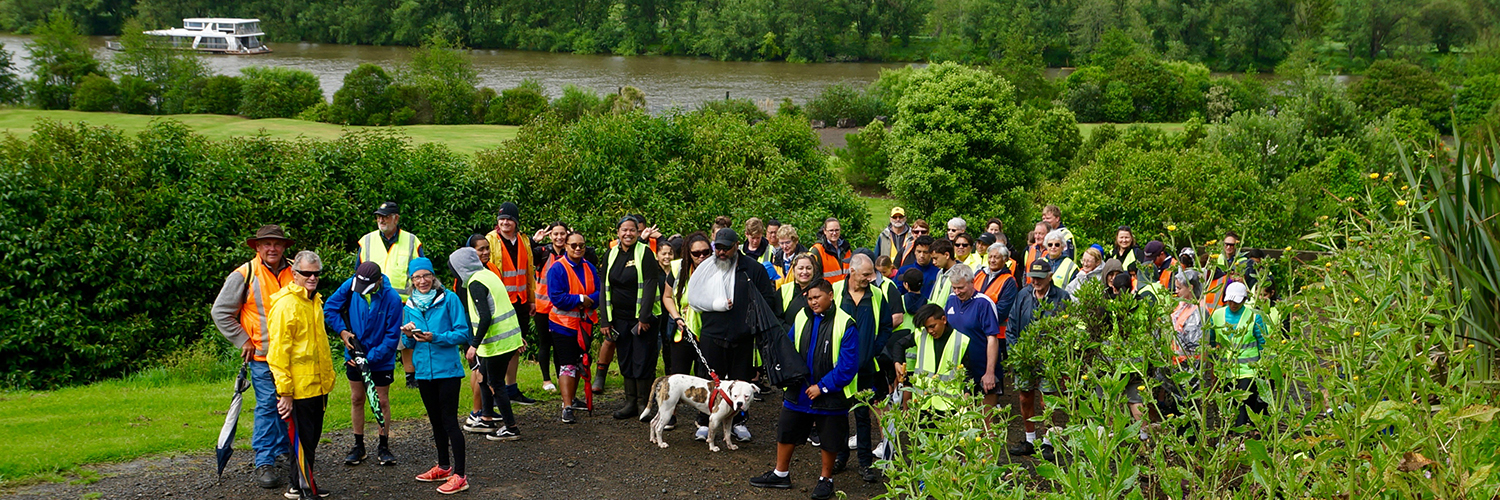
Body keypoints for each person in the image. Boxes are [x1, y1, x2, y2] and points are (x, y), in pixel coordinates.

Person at [748, 280, 858, 500]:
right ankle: (781, 473)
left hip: (831, 394)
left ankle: (826, 479)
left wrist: (823, 387)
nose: (813, 302)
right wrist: (787, 376)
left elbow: (848, 366)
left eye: (817, 297)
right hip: (799, 388)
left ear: (831, 295)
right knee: (786, 430)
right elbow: (789, 348)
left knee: (829, 438)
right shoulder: (801, 316)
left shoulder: (846, 324)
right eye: (809, 298)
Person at [211, 225, 295, 489]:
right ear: (257, 248)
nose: (272, 249)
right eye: (266, 244)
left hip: (293, 356)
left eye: (276, 244)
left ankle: (282, 450)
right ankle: (264, 461)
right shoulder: (244, 274)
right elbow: (220, 311)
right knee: (269, 406)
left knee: (288, 405)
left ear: (284, 247)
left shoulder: (297, 269)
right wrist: (242, 339)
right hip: (262, 355)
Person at [688, 228, 783, 443]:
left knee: (741, 382)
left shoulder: (753, 269)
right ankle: (705, 421)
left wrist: (753, 323)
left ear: (737, 246)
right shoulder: (707, 268)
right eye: (718, 248)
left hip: (742, 336)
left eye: (726, 248)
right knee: (710, 381)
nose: (721, 252)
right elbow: (695, 297)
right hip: (712, 333)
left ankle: (739, 422)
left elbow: (767, 300)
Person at [266, 250, 335, 500]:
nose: (312, 277)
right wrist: (284, 392)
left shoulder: (313, 299)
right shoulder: (286, 304)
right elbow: (278, 353)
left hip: (317, 384)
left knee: (311, 439)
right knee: (302, 441)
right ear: (294, 274)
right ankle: (306, 490)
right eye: (306, 273)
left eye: (316, 273)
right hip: (298, 387)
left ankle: (298, 485)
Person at [401, 258, 472, 494]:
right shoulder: (409, 305)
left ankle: (460, 476)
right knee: (435, 421)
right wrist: (409, 334)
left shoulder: (449, 299)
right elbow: (408, 343)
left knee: (450, 421)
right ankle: (443, 466)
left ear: (433, 277)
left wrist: (436, 337)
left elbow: (463, 333)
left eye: (425, 276)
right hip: (423, 371)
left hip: (448, 370)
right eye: (416, 278)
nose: (422, 281)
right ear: (411, 281)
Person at [324, 262, 403, 467]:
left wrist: (370, 358)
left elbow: (392, 336)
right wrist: (342, 331)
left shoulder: (392, 298)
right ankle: (358, 446)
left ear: (378, 281)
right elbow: (330, 308)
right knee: (357, 398)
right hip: (353, 353)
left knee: (381, 400)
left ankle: (383, 445)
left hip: (380, 359)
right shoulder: (351, 285)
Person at [832, 255, 895, 482]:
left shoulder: (876, 294)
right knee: (839, 414)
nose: (870, 278)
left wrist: (874, 349)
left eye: (872, 274)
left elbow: (887, 326)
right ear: (852, 271)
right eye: (866, 274)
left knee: (863, 415)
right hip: (838, 368)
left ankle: (865, 463)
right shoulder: (836, 291)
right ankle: (839, 457)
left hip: (866, 367)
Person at [453, 246, 524, 442]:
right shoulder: (489, 275)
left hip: (497, 343)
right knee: (483, 377)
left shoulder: (476, 283)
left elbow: (485, 317)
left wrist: (473, 345)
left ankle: (511, 427)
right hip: (505, 339)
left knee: (495, 383)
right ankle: (487, 417)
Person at [599, 216, 665, 419]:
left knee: (643, 360)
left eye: (632, 230)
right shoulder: (610, 253)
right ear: (618, 232)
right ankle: (630, 403)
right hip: (619, 318)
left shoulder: (645, 253)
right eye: (624, 230)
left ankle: (644, 404)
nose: (628, 234)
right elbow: (603, 286)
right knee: (626, 358)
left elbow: (650, 285)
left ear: (638, 232)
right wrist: (605, 320)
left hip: (642, 319)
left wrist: (644, 317)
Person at [1006, 259, 1073, 460]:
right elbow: (1012, 327)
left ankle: (1048, 442)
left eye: (1040, 278)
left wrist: (1059, 359)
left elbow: (1067, 330)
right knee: (1024, 397)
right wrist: (1014, 353)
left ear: (1049, 277)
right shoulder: (1023, 294)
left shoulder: (1062, 297)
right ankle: (1030, 439)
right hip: (1024, 357)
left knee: (1048, 401)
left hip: (1049, 357)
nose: (1035, 281)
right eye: (1033, 277)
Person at [357, 201, 426, 388]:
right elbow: (358, 270)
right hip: (374, 300)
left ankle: (411, 377)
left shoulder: (412, 240)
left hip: (404, 301)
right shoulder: (367, 240)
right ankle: (374, 371)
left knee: (406, 339)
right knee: (375, 337)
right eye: (379, 216)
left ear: (396, 218)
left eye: (385, 216)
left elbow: (420, 271)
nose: (381, 220)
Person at [530, 221, 598, 394]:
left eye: (563, 234)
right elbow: (526, 257)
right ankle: (547, 379)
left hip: (572, 310)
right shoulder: (543, 252)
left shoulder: (579, 255)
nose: (559, 237)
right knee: (545, 344)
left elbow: (589, 256)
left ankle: (566, 387)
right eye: (555, 234)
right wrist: (534, 242)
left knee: (566, 352)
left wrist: (576, 239)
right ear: (550, 236)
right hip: (545, 306)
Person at [485, 202, 540, 406]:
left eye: (509, 219)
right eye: (501, 219)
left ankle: (511, 388)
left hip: (521, 300)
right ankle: (494, 389)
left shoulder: (524, 240)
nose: (505, 222)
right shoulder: (490, 239)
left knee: (517, 344)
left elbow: (528, 271)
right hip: (499, 302)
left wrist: (532, 299)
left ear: (516, 222)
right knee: (499, 346)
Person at [547, 231, 602, 424]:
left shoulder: (590, 267)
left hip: (584, 324)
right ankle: (566, 405)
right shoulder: (557, 268)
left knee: (581, 362)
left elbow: (598, 292)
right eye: (573, 245)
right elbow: (556, 297)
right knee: (567, 365)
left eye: (581, 245)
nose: (578, 248)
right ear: (566, 247)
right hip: (563, 325)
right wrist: (580, 299)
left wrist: (588, 301)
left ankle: (573, 397)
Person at [943, 264, 1005, 416]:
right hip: (959, 371)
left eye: (961, 288)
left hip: (981, 369)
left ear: (972, 282)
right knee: (962, 419)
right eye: (954, 288)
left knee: (985, 420)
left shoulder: (984, 303)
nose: (957, 292)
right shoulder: (951, 300)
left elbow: (992, 338)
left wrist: (989, 372)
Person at [903, 303, 986, 413]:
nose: (930, 331)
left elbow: (968, 371)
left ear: (944, 320)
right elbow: (899, 344)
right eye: (927, 328)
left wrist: (967, 392)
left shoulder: (961, 340)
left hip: (949, 406)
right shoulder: (922, 335)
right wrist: (898, 363)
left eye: (932, 326)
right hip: (923, 404)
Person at [1210, 281, 1268, 429]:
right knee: (1228, 403)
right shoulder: (1217, 315)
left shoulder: (1254, 316)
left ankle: (1238, 435)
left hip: (1249, 370)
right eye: (1230, 301)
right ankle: (1228, 434)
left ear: (1244, 300)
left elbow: (1264, 342)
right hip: (1225, 370)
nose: (1233, 304)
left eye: (1236, 301)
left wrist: (1265, 367)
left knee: (1242, 403)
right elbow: (1210, 341)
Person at [779, 253, 820, 327]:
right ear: (794, 271)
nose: (804, 272)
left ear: (814, 271)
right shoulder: (783, 290)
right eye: (801, 268)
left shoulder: (820, 290)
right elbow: (776, 318)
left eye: (808, 268)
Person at [896, 235, 938, 302]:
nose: (922, 255)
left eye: (925, 252)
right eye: (919, 251)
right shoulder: (903, 271)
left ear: (931, 253)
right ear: (914, 252)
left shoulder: (938, 273)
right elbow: (897, 294)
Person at [812, 218, 852, 283]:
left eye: (837, 230)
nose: (834, 233)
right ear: (824, 231)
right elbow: (814, 276)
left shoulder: (846, 248)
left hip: (845, 290)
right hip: (828, 291)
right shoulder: (818, 250)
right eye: (831, 230)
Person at [925, 239, 959, 306]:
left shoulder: (960, 274)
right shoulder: (940, 273)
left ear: (947, 255)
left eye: (936, 258)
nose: (934, 262)